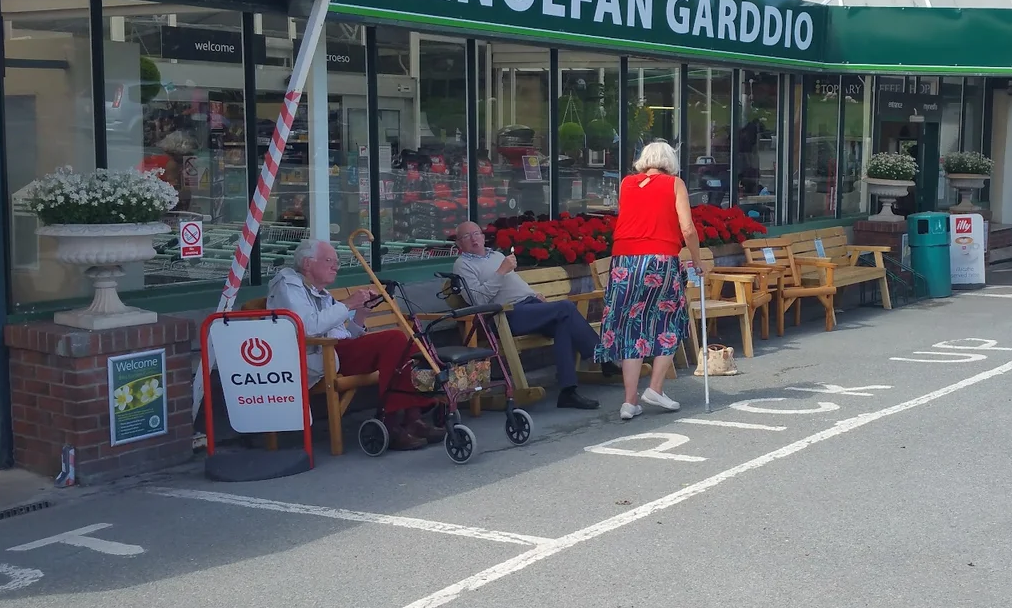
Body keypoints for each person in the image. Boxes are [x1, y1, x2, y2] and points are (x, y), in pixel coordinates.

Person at [267, 240, 438, 451]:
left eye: (337, 262)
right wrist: (348, 303)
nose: (335, 267)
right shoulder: (288, 285)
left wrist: (361, 314)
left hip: (333, 352)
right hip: (314, 356)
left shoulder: (321, 292)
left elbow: (345, 335)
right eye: (329, 260)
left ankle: (413, 419)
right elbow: (308, 328)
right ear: (307, 263)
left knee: (408, 345)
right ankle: (391, 424)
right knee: (394, 340)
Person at [450, 221, 615, 410]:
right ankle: (603, 358)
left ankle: (568, 391)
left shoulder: (495, 255)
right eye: (466, 236)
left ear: (482, 235)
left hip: (529, 306)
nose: (474, 239)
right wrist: (501, 271)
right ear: (459, 243)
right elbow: (478, 300)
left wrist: (534, 294)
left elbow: (515, 282)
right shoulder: (463, 266)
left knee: (563, 324)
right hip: (505, 314)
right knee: (565, 308)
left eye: (476, 233)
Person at [595, 139, 700, 421]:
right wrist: (697, 260)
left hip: (624, 261)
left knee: (631, 324)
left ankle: (629, 402)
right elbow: (687, 228)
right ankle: (655, 388)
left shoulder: (627, 184)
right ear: (670, 162)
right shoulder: (674, 184)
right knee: (670, 319)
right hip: (659, 258)